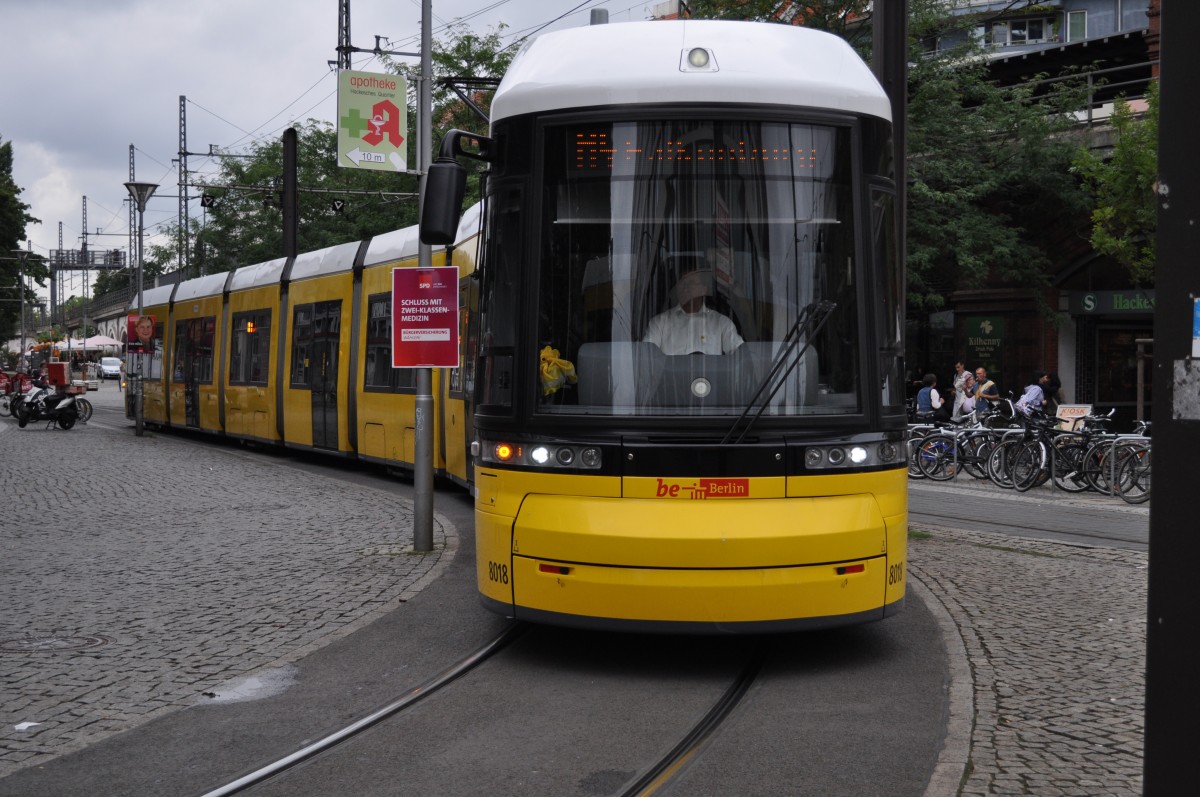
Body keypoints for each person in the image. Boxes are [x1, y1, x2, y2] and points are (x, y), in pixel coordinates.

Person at [644, 269, 743, 355]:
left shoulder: (721, 323)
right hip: (669, 377)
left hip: (711, 377)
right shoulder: (659, 323)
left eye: (691, 283)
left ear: (703, 289)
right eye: (682, 283)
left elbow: (740, 354)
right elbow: (646, 356)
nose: (685, 288)